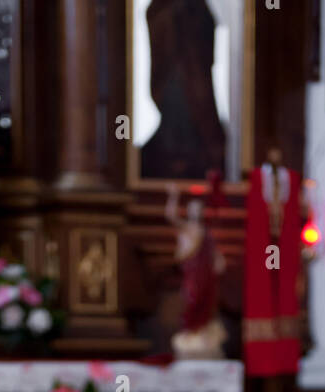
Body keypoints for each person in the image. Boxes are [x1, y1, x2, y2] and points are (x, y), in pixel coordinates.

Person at [141, 0, 226, 182]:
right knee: (175, 103)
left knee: (198, 115)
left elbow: (207, 32)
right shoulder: (160, 8)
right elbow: (154, 18)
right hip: (173, 74)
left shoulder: (199, 7)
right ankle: (173, 150)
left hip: (194, 74)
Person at [165, 185, 226, 359]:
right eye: (193, 209)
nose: (196, 212)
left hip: (206, 276)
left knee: (207, 305)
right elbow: (171, 216)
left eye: (199, 209)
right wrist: (173, 196)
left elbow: (213, 252)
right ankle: (189, 335)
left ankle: (202, 336)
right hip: (192, 275)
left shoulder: (205, 232)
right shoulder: (187, 228)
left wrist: (219, 260)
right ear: (189, 211)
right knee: (191, 300)